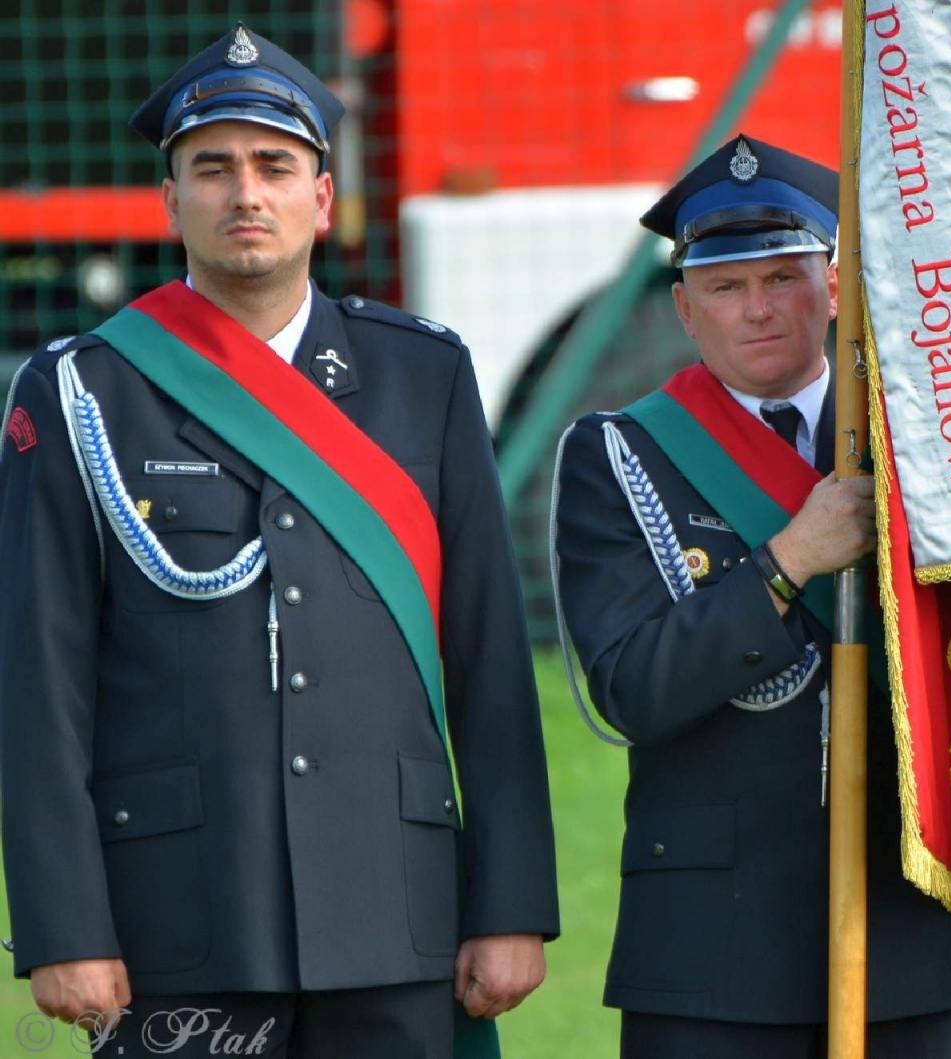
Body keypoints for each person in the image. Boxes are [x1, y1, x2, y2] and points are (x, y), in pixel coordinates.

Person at [0, 24, 558, 1058]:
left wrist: (512, 902)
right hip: (177, 921)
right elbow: (41, 679)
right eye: (211, 169)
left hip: (399, 915)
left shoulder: (421, 378)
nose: (244, 194)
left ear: (323, 197)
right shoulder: (84, 389)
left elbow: (489, 659)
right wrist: (63, 928)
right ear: (172, 202)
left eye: (273, 166)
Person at [551, 133, 951, 1057]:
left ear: (835, 287)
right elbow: (633, 688)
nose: (758, 309)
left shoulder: (920, 437)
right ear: (684, 308)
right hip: (711, 947)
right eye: (725, 286)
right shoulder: (622, 454)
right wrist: (790, 559)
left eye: (784, 277)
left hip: (905, 925)